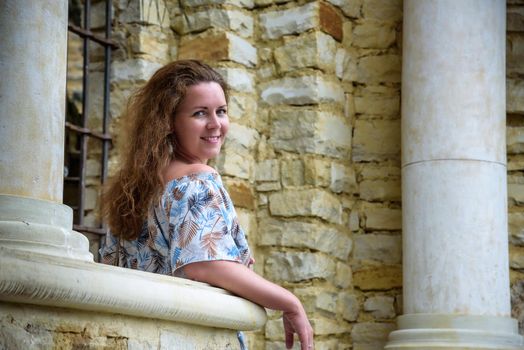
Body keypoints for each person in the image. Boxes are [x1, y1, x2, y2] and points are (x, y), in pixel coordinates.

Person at [100, 60, 314, 350]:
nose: (216, 124)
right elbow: (205, 263)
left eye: (221, 111)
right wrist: (289, 302)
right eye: (200, 113)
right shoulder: (196, 181)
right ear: (168, 121)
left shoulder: (134, 189)